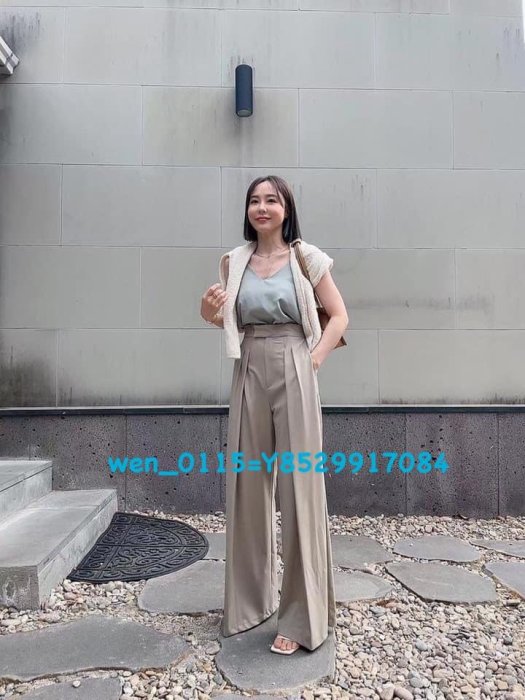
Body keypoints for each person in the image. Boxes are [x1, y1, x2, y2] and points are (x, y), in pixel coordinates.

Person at [200, 175, 349, 655]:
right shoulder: (234, 261)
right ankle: (249, 603)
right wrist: (207, 311)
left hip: (294, 360)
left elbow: (339, 315)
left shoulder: (307, 258)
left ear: (286, 209)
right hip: (248, 365)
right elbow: (225, 318)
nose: (261, 207)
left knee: (299, 485)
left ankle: (302, 620)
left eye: (271, 200)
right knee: (246, 483)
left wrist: (313, 360)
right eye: (254, 201)